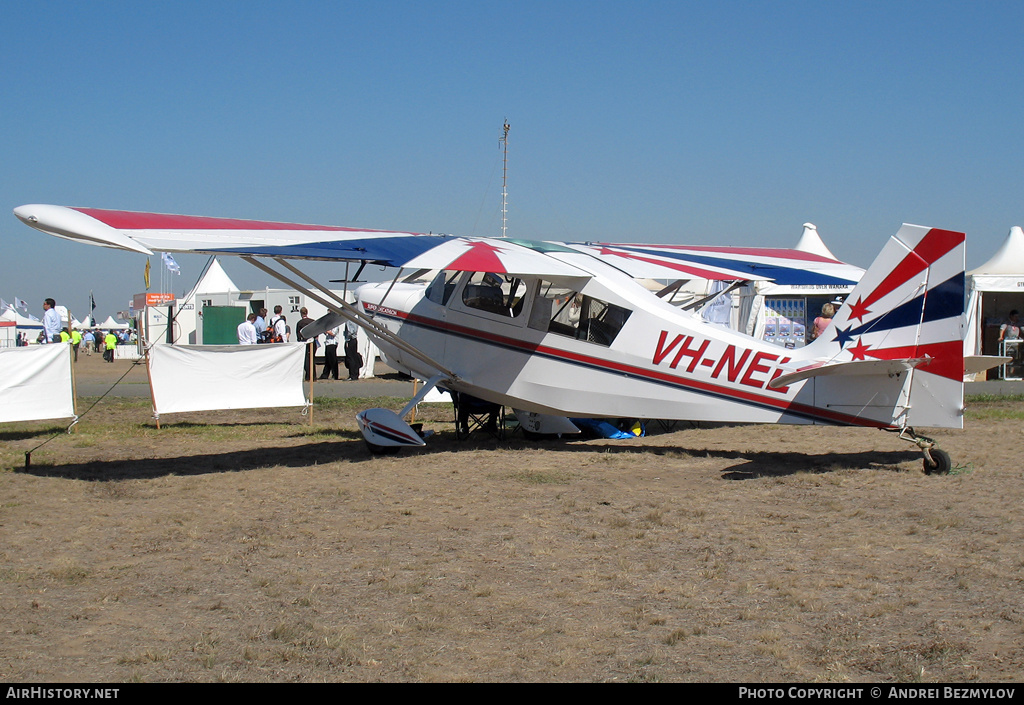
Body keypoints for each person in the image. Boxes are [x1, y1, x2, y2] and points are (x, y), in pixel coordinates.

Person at [296, 307, 317, 380]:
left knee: (306, 360)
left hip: (304, 342)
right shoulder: (312, 321)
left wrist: (299, 341)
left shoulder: (300, 323)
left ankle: (308, 375)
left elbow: (298, 335)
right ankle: (313, 376)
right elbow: (316, 332)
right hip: (312, 341)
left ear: (301, 313)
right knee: (312, 359)